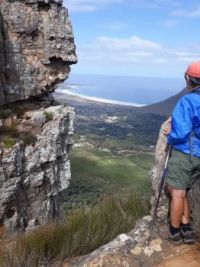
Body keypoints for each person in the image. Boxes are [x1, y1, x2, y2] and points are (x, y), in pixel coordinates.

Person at [164, 61, 200, 245]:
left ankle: (174, 232)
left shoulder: (187, 100)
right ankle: (186, 226)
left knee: (175, 192)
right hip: (199, 156)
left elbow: (181, 132)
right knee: (183, 190)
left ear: (189, 79)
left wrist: (169, 134)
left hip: (186, 152)